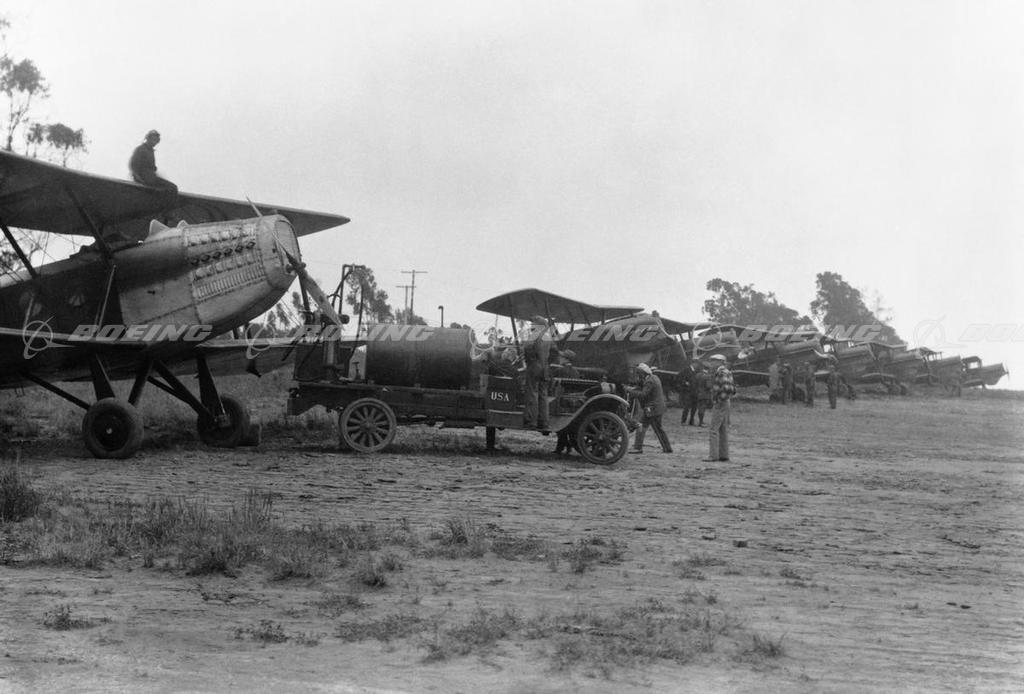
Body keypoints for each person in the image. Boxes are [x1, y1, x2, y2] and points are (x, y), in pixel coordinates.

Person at [629, 363, 672, 454]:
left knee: (641, 425)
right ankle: (667, 448)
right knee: (658, 429)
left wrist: (630, 391)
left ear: (643, 373)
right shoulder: (654, 377)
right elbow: (643, 387)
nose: (638, 376)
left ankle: (638, 448)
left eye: (639, 374)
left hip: (652, 409)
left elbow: (643, 395)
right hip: (658, 408)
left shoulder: (649, 381)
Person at [704, 353, 736, 462]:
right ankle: (723, 455)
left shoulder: (721, 372)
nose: (712, 363)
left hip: (721, 402)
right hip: (725, 402)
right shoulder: (726, 371)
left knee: (713, 430)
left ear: (720, 362)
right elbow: (732, 389)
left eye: (714, 361)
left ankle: (713, 456)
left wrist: (718, 400)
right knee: (723, 429)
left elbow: (727, 388)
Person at [522, 315, 551, 430]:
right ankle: (544, 422)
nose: (531, 325)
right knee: (543, 395)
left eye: (533, 323)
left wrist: (528, 361)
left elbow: (527, 349)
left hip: (534, 367)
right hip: (545, 368)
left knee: (532, 393)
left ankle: (531, 421)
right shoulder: (547, 337)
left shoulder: (534, 335)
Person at [554, 350, 579, 455]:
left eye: (562, 357)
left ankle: (562, 446)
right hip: (573, 400)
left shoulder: (559, 371)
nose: (560, 358)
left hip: (561, 401)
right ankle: (565, 445)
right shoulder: (576, 372)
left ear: (566, 359)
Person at [694, 362, 713, 426]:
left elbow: (694, 384)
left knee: (700, 408)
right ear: (708, 369)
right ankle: (701, 422)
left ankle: (700, 421)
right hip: (705, 395)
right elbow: (708, 386)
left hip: (698, 393)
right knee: (702, 408)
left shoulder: (697, 375)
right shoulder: (708, 376)